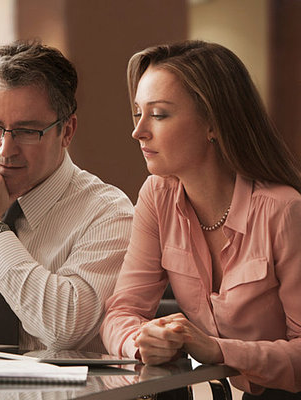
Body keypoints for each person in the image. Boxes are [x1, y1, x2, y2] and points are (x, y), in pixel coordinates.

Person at [101, 40, 301, 398]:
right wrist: (141, 341)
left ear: (213, 123)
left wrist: (219, 350)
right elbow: (120, 313)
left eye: (159, 114)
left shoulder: (284, 210)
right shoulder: (156, 196)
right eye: (138, 113)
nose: (139, 131)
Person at [0, 41, 134, 351]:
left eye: (27, 131)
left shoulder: (108, 213)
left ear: (67, 131)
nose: (5, 149)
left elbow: (64, 330)